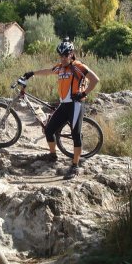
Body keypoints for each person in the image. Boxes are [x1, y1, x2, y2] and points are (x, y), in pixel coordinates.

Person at [23, 37, 99, 179]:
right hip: (64, 105)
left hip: (76, 105)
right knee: (49, 129)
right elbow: (48, 71)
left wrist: (83, 93)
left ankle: (75, 166)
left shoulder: (78, 66)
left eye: (65, 55)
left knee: (76, 134)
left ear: (71, 53)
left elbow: (95, 80)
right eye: (61, 55)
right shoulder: (60, 67)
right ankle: (53, 155)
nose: (63, 58)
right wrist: (32, 73)